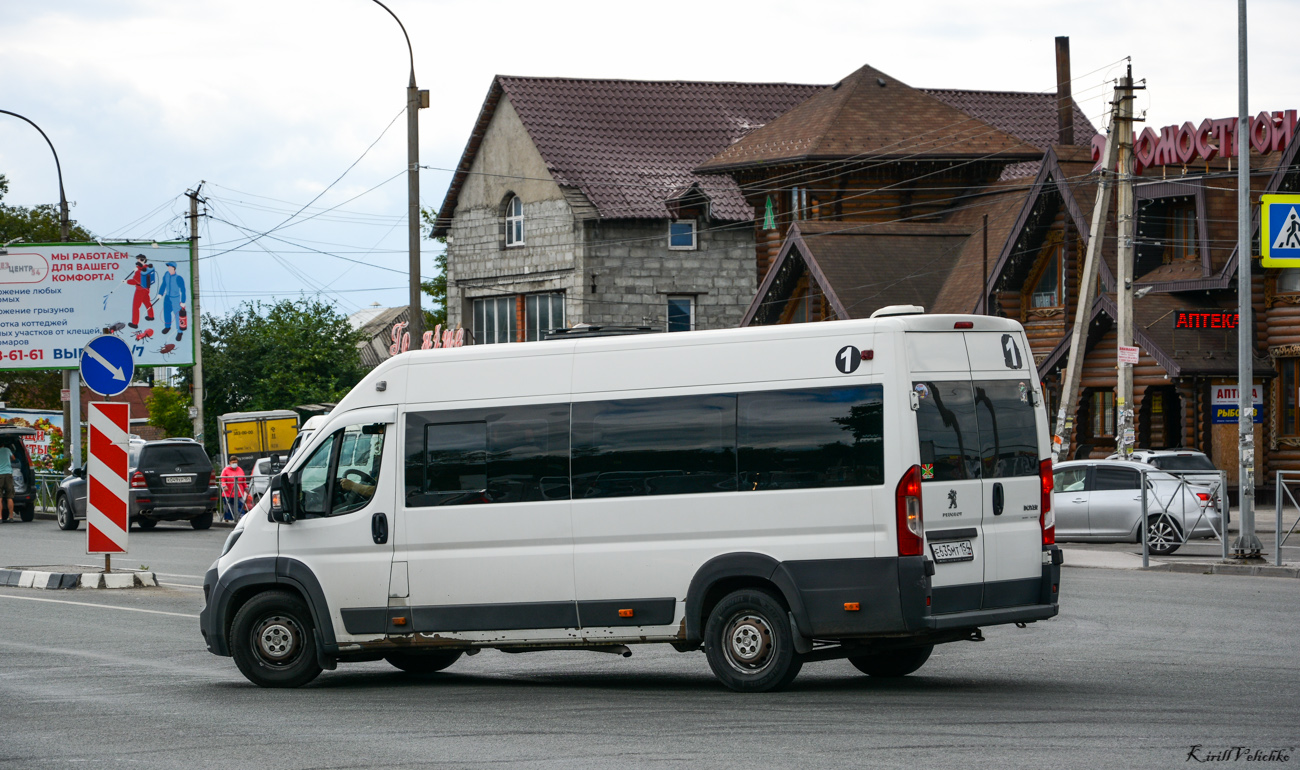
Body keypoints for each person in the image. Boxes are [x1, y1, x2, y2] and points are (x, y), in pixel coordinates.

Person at [155, 262, 187, 341]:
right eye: (168, 267)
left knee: (177, 315)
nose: (169, 268)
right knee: (166, 312)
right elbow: (163, 284)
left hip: (175, 298)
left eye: (170, 267)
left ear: (174, 268)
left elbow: (183, 290)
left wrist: (183, 301)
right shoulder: (166, 274)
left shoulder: (178, 278)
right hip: (167, 297)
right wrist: (160, 293)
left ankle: (179, 332)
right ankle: (167, 327)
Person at [126, 254, 156, 329]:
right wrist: (137, 268)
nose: (137, 261)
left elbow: (135, 281)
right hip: (146, 289)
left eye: (138, 260)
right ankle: (151, 316)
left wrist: (126, 281)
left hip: (140, 290)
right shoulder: (148, 267)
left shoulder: (140, 271)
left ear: (142, 260)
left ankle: (135, 323)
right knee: (147, 302)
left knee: (136, 306)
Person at [219, 456, 248, 521]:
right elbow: (222, 479)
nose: (235, 464)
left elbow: (243, 479)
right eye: (233, 462)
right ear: (230, 462)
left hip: (239, 493)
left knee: (240, 507)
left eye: (236, 462)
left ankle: (241, 519)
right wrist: (224, 486)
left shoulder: (240, 469)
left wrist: (246, 488)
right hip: (228, 493)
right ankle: (227, 519)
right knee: (228, 508)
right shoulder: (226, 470)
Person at [0, 443, 14, 523]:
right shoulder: (7, 450)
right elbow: (13, 458)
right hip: (8, 474)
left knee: (0, 497)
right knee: (9, 496)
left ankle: (0, 517)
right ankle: (11, 517)